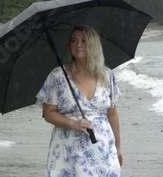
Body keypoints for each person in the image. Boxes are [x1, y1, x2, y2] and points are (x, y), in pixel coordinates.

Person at [36, 25, 122, 176]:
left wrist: (118, 147)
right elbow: (49, 113)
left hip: (103, 148)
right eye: (74, 40)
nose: (78, 45)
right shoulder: (58, 76)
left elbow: (113, 114)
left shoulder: (107, 75)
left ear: (93, 45)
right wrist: (73, 123)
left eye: (83, 40)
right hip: (69, 149)